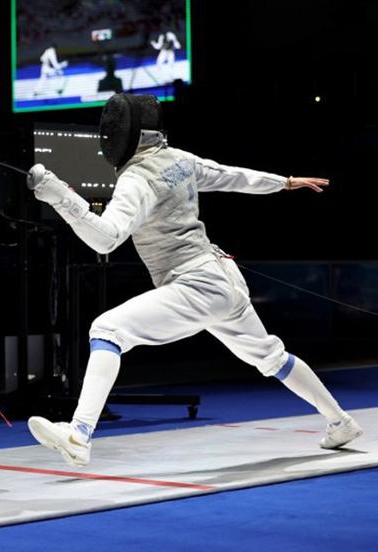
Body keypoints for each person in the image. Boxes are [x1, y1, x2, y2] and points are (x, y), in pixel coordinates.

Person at [26, 93, 363, 467]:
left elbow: (106, 238)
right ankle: (341, 422)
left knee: (107, 330)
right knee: (272, 356)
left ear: (126, 135)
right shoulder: (181, 159)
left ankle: (79, 434)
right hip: (223, 278)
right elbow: (232, 176)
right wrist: (283, 182)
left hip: (196, 283)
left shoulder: (136, 179)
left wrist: (60, 197)